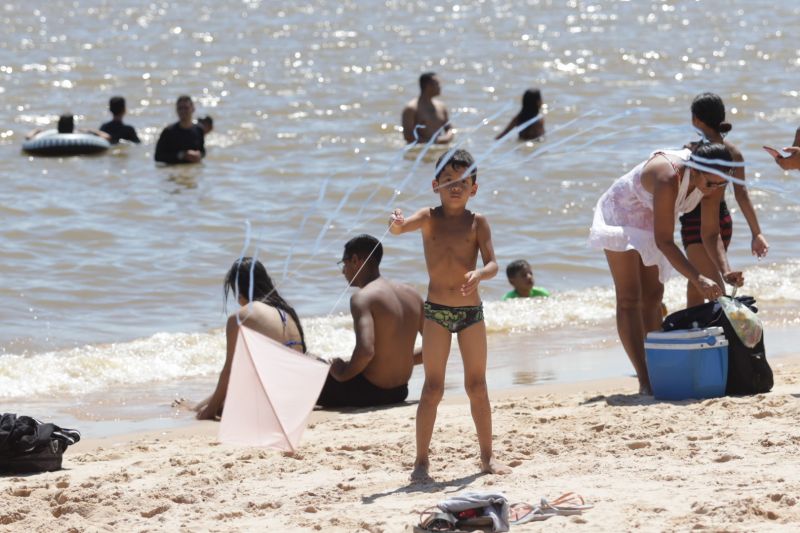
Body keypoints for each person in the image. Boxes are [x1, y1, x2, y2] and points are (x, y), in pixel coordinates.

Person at [389, 148, 511, 480]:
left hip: (471, 314)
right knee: (432, 388)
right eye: (447, 181)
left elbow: (493, 263)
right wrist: (397, 223)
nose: (454, 187)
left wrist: (479, 275)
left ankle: (487, 459)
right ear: (435, 185)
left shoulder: (477, 222)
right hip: (436, 315)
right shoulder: (428, 217)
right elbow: (401, 229)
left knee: (477, 386)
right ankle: (421, 462)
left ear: (474, 187)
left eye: (461, 181)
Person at [589, 143, 744, 395]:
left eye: (720, 184)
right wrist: (697, 278)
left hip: (657, 217)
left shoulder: (715, 179)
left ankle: (657, 370)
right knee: (630, 297)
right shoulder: (668, 176)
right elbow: (665, 241)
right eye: (711, 183)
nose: (714, 189)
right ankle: (644, 379)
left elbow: (710, 232)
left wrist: (725, 270)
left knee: (653, 297)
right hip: (622, 213)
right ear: (695, 170)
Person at [680, 93, 768, 307]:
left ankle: (727, 329)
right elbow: (742, 194)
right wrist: (756, 232)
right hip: (722, 220)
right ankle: (696, 331)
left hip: (696, 222)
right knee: (696, 281)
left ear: (696, 121)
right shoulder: (734, 152)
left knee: (708, 284)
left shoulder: (691, 150)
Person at [317, 234, 425, 408]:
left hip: (368, 393)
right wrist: (398, 359)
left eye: (344, 264)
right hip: (400, 391)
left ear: (355, 260)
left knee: (311, 364)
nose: (344, 271)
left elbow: (366, 352)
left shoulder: (363, 298)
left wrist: (342, 373)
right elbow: (436, 346)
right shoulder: (412, 294)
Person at [195, 257, 305, 420]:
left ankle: (198, 407)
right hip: (298, 397)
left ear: (240, 289)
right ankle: (195, 405)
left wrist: (209, 412)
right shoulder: (286, 313)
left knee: (217, 402)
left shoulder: (241, 317)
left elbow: (230, 369)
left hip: (271, 401)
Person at [401, 72, 454, 144]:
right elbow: (408, 136)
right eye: (437, 84)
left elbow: (449, 128)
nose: (440, 87)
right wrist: (434, 142)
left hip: (439, 149)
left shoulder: (441, 107)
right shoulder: (411, 109)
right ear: (428, 86)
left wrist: (447, 138)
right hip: (421, 151)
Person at [154, 95, 205, 164]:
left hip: (194, 171)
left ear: (193, 109)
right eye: (180, 108)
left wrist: (199, 155)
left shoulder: (199, 130)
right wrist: (182, 155)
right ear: (176, 110)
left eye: (186, 108)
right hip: (173, 172)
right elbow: (158, 157)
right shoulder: (168, 131)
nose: (183, 111)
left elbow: (202, 151)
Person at [26, 113, 110, 141]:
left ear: (58, 126)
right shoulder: (80, 134)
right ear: (72, 126)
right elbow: (106, 137)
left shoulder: (49, 136)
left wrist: (36, 130)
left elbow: (28, 137)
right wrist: (91, 130)